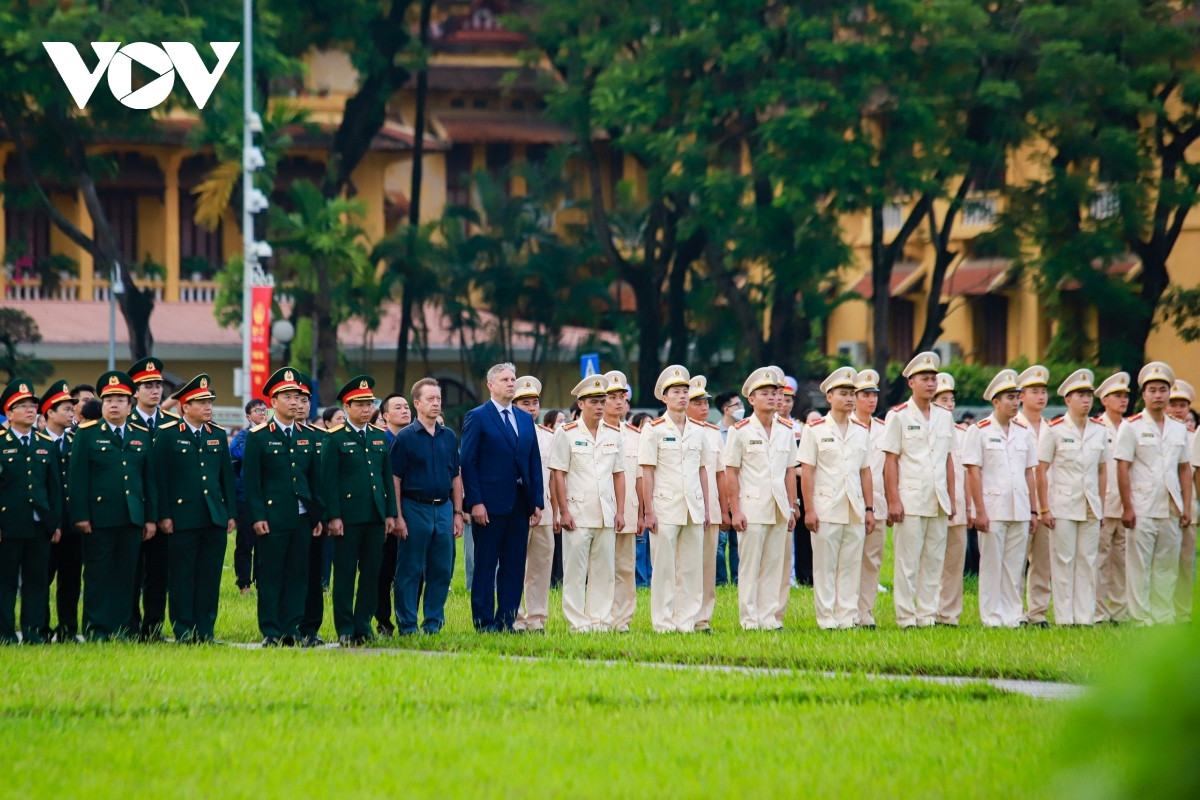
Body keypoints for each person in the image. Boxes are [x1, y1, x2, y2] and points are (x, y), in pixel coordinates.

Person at [68, 371, 156, 641]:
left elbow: (148, 480)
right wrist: (81, 515)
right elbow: (77, 478)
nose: (113, 405)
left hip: (132, 517)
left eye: (119, 399)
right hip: (99, 517)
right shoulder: (88, 434)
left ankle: (122, 628)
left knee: (126, 576)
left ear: (130, 406)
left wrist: (150, 518)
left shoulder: (141, 435)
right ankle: (97, 628)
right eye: (108, 400)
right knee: (97, 575)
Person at [460, 363, 545, 632]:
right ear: (491, 385)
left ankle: (506, 620)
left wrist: (537, 501)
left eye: (513, 379)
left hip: (520, 504)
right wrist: (475, 501)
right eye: (505, 379)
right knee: (486, 566)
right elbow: (469, 461)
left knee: (514, 566)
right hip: (489, 505)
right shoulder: (478, 416)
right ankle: (484, 622)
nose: (511, 383)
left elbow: (533, 461)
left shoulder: (524, 418)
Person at [243, 369, 324, 647]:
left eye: (298, 397)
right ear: (273, 402)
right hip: (272, 517)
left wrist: (317, 516)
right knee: (270, 575)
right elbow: (251, 481)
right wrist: (257, 516)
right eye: (287, 397)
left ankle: (292, 628)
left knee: (298, 575)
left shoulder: (309, 435)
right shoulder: (258, 436)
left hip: (302, 517)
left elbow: (314, 479)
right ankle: (271, 630)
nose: (293, 402)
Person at [153, 374, 236, 643]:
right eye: (201, 402)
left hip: (213, 516)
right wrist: (164, 514)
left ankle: (205, 630)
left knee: (209, 578)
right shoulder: (167, 435)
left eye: (210, 402)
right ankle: (183, 629)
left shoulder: (217, 435)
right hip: (181, 517)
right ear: (184, 407)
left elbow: (226, 478)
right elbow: (161, 479)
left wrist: (230, 513)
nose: (208, 407)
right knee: (182, 576)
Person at [323, 375, 399, 646]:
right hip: (347, 517)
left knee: (371, 572)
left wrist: (390, 513)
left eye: (370, 403)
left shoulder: (379, 436)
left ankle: (363, 624)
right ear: (347, 407)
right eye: (361, 404)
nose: (367, 409)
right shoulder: (334, 439)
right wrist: (333, 516)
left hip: (375, 516)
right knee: (344, 573)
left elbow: (386, 478)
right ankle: (344, 627)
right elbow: (329, 481)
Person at [882, 351, 956, 628]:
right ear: (911, 382)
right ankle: (906, 616)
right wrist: (893, 499)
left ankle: (927, 614)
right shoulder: (898, 416)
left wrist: (951, 496)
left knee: (934, 560)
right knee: (907, 563)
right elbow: (890, 461)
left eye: (933, 379)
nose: (931, 384)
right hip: (910, 497)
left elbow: (948, 459)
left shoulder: (944, 416)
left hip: (938, 498)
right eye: (925, 379)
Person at [1115, 362, 1192, 625]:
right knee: (1138, 565)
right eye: (1152, 390)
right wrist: (1127, 506)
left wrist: (1187, 508)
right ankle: (1139, 618)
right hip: (1142, 504)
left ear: (1169, 393)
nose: (1158, 395)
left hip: (1171, 505)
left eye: (1163, 390)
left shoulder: (1179, 428)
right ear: (1144, 395)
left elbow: (1184, 469)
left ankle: (1163, 616)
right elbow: (1123, 467)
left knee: (1167, 566)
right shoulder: (1131, 426)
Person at [798, 368, 873, 630]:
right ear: (829, 397)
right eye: (843, 393)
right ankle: (827, 617)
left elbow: (865, 472)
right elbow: (807, 472)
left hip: (854, 506)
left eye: (853, 394)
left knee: (851, 565)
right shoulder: (815, 429)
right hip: (825, 506)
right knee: (825, 566)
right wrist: (809, 509)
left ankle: (848, 616)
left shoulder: (861, 430)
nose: (850, 398)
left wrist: (870, 508)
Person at [963, 369, 1039, 628]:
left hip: (1019, 507)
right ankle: (993, 617)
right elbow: (974, 473)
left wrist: (1033, 511)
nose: (1015, 402)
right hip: (993, 508)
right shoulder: (980, 431)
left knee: (1015, 566)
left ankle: (1013, 615)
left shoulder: (1023, 432)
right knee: (992, 566)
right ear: (996, 401)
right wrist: (978, 511)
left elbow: (1030, 473)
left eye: (1017, 396)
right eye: (1009, 397)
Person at [639, 365, 711, 633]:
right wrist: (649, 511)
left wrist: (705, 507)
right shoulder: (654, 429)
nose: (682, 396)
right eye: (676, 392)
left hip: (693, 506)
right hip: (665, 506)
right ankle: (664, 622)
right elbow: (647, 471)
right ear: (664, 397)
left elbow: (703, 470)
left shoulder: (698, 430)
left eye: (685, 391)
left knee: (691, 568)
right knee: (665, 569)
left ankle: (687, 621)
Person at [550, 375, 625, 632]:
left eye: (602, 401)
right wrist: (563, 511)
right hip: (578, 512)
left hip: (605, 511)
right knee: (575, 572)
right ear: (581, 404)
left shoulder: (614, 434)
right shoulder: (566, 433)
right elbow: (558, 473)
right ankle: (577, 623)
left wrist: (620, 511)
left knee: (604, 572)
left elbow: (619, 474)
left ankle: (600, 620)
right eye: (594, 402)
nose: (600, 406)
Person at [723, 367, 795, 630]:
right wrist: (735, 510)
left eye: (774, 393)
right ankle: (749, 619)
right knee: (750, 566)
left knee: (774, 566)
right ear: (751, 400)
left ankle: (769, 618)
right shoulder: (740, 431)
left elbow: (789, 471)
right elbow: (731, 472)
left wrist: (792, 505)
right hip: (751, 505)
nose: (771, 398)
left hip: (778, 506)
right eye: (764, 394)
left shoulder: (786, 429)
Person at [390, 377, 463, 635]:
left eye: (439, 398)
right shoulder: (405, 438)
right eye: (430, 399)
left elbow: (455, 475)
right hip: (414, 507)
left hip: (443, 508)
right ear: (417, 403)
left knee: (442, 568)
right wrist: (397, 516)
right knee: (410, 569)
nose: (436, 403)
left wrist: (457, 512)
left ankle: (433, 622)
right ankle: (408, 624)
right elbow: (395, 479)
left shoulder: (449, 436)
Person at [1037, 369, 1108, 626]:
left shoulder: (1099, 430)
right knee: (1063, 561)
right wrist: (1044, 508)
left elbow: (1102, 469)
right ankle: (1065, 618)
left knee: (1087, 561)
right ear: (1068, 400)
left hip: (1090, 504)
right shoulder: (1054, 429)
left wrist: (1099, 503)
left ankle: (1084, 617)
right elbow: (1041, 470)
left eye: (1089, 394)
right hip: (1063, 504)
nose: (1086, 400)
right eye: (1080, 395)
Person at [0, 379, 63, 644]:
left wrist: (56, 522)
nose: (29, 410)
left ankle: (35, 632)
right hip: (9, 523)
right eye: (22, 406)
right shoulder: (2, 443)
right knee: (5, 583)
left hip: (40, 525)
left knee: (37, 582)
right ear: (9, 413)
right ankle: (5, 634)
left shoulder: (45, 443)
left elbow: (54, 487)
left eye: (32, 405)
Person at [126, 356, 176, 642]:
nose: (155, 391)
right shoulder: (126, 422)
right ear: (135, 391)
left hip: (166, 510)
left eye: (158, 385)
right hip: (134, 509)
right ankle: (130, 625)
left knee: (158, 574)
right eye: (148, 385)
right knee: (132, 573)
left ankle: (153, 627)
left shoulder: (171, 424)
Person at [512, 376, 558, 633]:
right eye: (525, 403)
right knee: (515, 566)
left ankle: (537, 618)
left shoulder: (549, 436)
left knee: (541, 568)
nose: (531, 408)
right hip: (517, 510)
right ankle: (516, 617)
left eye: (534, 403)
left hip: (545, 511)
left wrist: (557, 510)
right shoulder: (509, 433)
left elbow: (554, 476)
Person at [39, 380, 80, 641]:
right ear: (49, 413)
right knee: (41, 580)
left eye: (71, 408)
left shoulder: (78, 440)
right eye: (65, 408)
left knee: (71, 580)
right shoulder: (38, 442)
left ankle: (67, 629)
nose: (71, 413)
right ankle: (40, 628)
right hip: (44, 524)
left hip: (73, 523)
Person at [1012, 365, 1052, 627]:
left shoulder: (1053, 428)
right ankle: (1015, 611)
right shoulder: (1014, 425)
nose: (1040, 397)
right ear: (1021, 396)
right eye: (1033, 392)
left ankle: (1037, 612)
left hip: (1047, 503)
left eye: (1043, 392)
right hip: (1020, 502)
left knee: (1043, 560)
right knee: (1016, 560)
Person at [603, 370, 642, 631]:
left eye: (622, 397)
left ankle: (623, 619)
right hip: (600, 510)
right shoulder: (593, 432)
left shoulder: (635, 435)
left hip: (628, 509)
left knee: (626, 568)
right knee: (601, 567)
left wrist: (642, 513)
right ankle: (601, 616)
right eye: (612, 397)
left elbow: (639, 477)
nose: (619, 402)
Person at [687, 375, 726, 632]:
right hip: (686, 507)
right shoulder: (677, 431)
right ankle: (683, 616)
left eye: (705, 403)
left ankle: (702, 618)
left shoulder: (713, 434)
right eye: (697, 402)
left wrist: (725, 508)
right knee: (685, 565)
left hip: (710, 507)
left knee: (707, 566)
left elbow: (720, 474)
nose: (704, 407)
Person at [933, 372, 971, 627]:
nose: (949, 404)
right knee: (931, 562)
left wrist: (968, 506)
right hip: (933, 505)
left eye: (951, 399)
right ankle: (930, 610)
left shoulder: (964, 433)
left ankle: (949, 614)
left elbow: (968, 473)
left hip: (957, 506)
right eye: (943, 399)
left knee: (955, 564)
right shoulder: (928, 432)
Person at [1094, 371, 1130, 624]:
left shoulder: (1131, 427)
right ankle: (1098, 611)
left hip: (1126, 504)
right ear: (1105, 400)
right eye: (1117, 396)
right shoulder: (1097, 428)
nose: (1123, 400)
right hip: (1104, 503)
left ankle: (1120, 610)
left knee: (1122, 561)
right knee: (1100, 559)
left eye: (1125, 396)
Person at [853, 369, 888, 628]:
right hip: (850, 503)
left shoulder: (885, 429)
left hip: (878, 503)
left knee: (872, 561)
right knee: (848, 560)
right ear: (854, 398)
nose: (871, 400)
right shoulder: (846, 426)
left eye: (874, 395)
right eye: (865, 395)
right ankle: (846, 610)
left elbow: (890, 469)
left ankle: (865, 612)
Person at [297, 377, 330, 647]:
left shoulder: (320, 438)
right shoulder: (265, 435)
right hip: (284, 515)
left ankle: (310, 628)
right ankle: (286, 625)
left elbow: (325, 481)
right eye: (294, 399)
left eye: (305, 399)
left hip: (313, 517)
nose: (300, 404)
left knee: (313, 574)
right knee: (288, 573)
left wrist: (322, 516)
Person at [375, 392, 411, 636]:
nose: (405, 411)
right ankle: (384, 621)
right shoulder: (378, 442)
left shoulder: (415, 439)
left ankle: (407, 620)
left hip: (413, 513)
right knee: (383, 571)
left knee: (411, 572)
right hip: (385, 517)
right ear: (385, 416)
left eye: (407, 406)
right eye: (398, 407)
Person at [230, 398, 268, 595]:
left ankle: (262, 581)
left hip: (267, 498)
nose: (262, 414)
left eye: (265, 410)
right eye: (258, 410)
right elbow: (237, 452)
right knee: (245, 543)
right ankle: (244, 584)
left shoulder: (271, 435)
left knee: (265, 544)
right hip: (246, 497)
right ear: (248, 416)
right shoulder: (244, 436)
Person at [1169, 380, 1197, 624]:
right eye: (1173, 404)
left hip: (1189, 507)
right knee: (1161, 561)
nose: (1178, 410)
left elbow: (1195, 472)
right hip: (1162, 505)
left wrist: (1191, 508)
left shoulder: (1193, 436)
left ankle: (1183, 611)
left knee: (1186, 561)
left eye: (1183, 405)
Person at [713, 390, 743, 586]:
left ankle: (739, 579)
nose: (741, 409)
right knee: (720, 542)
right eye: (737, 405)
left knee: (739, 541)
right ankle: (721, 582)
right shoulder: (714, 433)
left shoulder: (745, 430)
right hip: (719, 495)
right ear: (726, 410)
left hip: (742, 493)